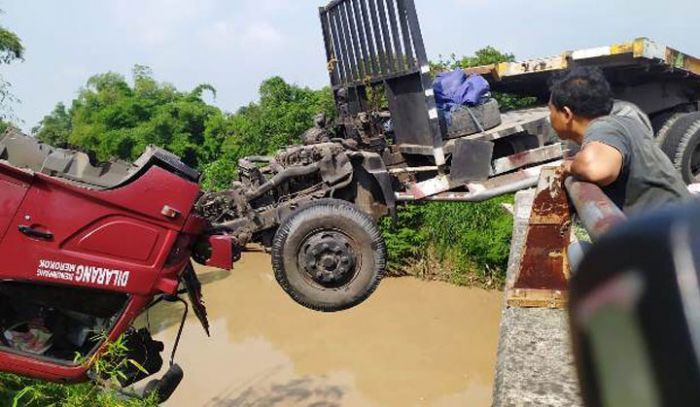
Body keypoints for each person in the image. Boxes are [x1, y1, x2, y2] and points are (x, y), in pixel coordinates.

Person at [548, 66, 691, 216]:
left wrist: (570, 166)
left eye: (550, 110)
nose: (550, 117)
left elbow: (595, 169)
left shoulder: (605, 127)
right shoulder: (618, 124)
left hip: (678, 233)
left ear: (566, 114)